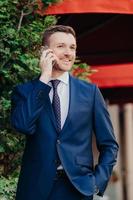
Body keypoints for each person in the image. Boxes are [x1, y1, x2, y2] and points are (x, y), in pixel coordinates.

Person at [11, 25, 119, 200]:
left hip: (77, 190)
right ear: (44, 51)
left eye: (72, 47)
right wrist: (44, 79)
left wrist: (97, 181)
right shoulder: (25, 91)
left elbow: (109, 145)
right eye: (61, 46)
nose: (68, 52)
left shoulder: (89, 93)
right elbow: (23, 125)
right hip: (34, 190)